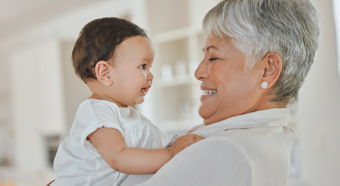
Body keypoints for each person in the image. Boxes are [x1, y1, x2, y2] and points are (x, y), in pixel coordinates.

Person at [121, 0, 320, 185]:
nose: (198, 72)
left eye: (213, 57)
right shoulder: (270, 138)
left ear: (267, 70)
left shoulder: (227, 149)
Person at [51, 17, 203, 186]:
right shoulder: (96, 111)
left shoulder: (128, 116)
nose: (151, 75)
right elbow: (118, 157)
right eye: (142, 66)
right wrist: (171, 152)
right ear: (105, 73)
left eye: (150, 67)